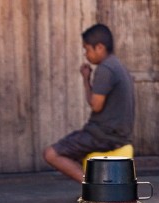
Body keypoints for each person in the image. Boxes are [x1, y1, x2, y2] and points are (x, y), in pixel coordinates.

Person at [43, 24, 135, 183]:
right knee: (73, 151)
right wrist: (86, 79)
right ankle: (99, 188)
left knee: (51, 154)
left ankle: (97, 190)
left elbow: (95, 105)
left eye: (87, 49)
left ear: (99, 47)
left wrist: (86, 80)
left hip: (104, 135)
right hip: (117, 134)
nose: (86, 55)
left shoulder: (105, 69)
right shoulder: (117, 65)